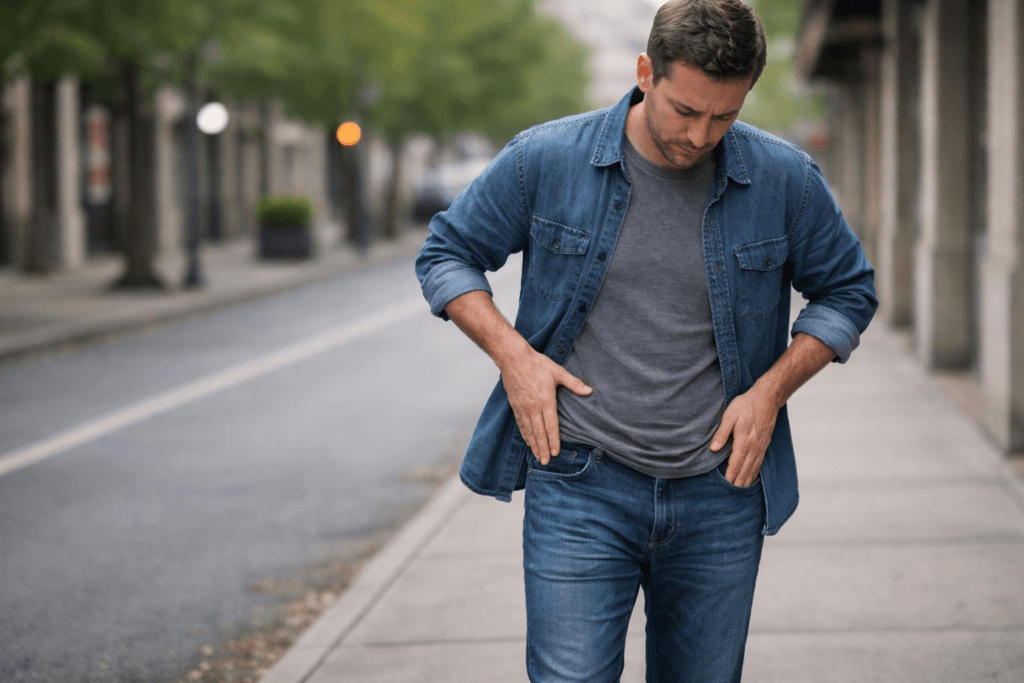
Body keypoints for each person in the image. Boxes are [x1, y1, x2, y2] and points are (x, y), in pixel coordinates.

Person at [415, 0, 877, 680]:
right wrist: (515, 356)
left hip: (719, 490)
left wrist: (770, 391)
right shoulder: (547, 160)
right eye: (685, 110)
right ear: (644, 73)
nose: (701, 135)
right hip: (579, 482)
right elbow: (446, 252)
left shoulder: (784, 179)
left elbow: (848, 289)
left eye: (725, 115)